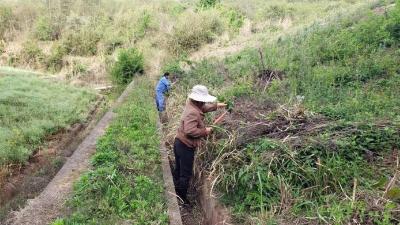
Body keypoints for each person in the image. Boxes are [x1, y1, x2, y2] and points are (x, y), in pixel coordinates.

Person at [173, 85, 226, 205]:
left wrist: (217, 106)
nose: (204, 103)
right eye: (203, 101)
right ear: (198, 100)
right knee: (185, 174)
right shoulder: (193, 112)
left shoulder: (192, 105)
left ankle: (176, 190)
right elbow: (189, 130)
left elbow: (203, 108)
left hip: (179, 143)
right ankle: (182, 199)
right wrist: (205, 131)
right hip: (185, 146)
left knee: (179, 169)